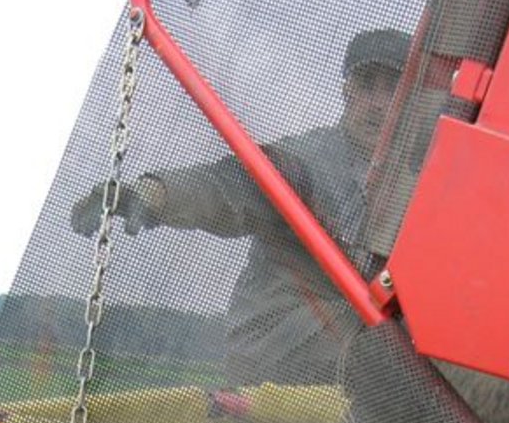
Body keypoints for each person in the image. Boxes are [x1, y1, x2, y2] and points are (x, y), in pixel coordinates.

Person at [71, 28, 411, 388]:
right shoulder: (307, 162)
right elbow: (230, 186)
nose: (378, 102)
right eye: (367, 85)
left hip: (347, 362)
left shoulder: (413, 186)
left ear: (409, 102)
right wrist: (155, 193)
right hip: (276, 349)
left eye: (392, 89)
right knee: (394, 344)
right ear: (347, 91)